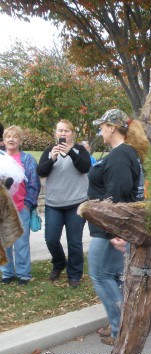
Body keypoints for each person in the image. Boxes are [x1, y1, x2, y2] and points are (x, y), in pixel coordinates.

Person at [87, 108, 149, 345]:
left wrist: (115, 232)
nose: (100, 130)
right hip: (110, 229)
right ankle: (121, 324)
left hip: (109, 230)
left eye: (102, 126)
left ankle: (121, 330)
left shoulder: (121, 155)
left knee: (100, 274)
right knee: (112, 275)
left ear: (112, 127)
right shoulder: (122, 153)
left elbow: (119, 196)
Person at [37, 119, 91, 287]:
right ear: (55, 133)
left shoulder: (79, 150)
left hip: (76, 204)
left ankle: (74, 274)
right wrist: (52, 158)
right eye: (60, 130)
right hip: (54, 204)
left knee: (74, 241)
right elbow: (41, 172)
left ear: (72, 134)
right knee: (51, 239)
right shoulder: (48, 151)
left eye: (66, 131)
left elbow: (85, 167)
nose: (63, 133)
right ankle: (59, 262)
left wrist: (71, 152)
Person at [0, 125, 41, 285]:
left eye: (15, 136)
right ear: (3, 139)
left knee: (21, 242)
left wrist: (27, 204)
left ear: (20, 140)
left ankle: (24, 273)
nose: (11, 139)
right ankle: (7, 273)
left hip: (20, 207)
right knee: (5, 241)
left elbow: (34, 184)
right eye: (8, 136)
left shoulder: (27, 159)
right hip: (3, 210)